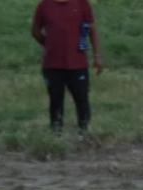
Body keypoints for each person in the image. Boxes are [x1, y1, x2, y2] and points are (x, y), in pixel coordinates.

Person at [32, 0, 103, 134]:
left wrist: (97, 56)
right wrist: (50, 45)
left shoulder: (82, 4)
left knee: (82, 98)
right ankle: (56, 133)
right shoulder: (44, 5)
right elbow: (35, 31)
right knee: (55, 100)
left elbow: (92, 30)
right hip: (52, 64)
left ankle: (84, 132)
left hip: (78, 63)